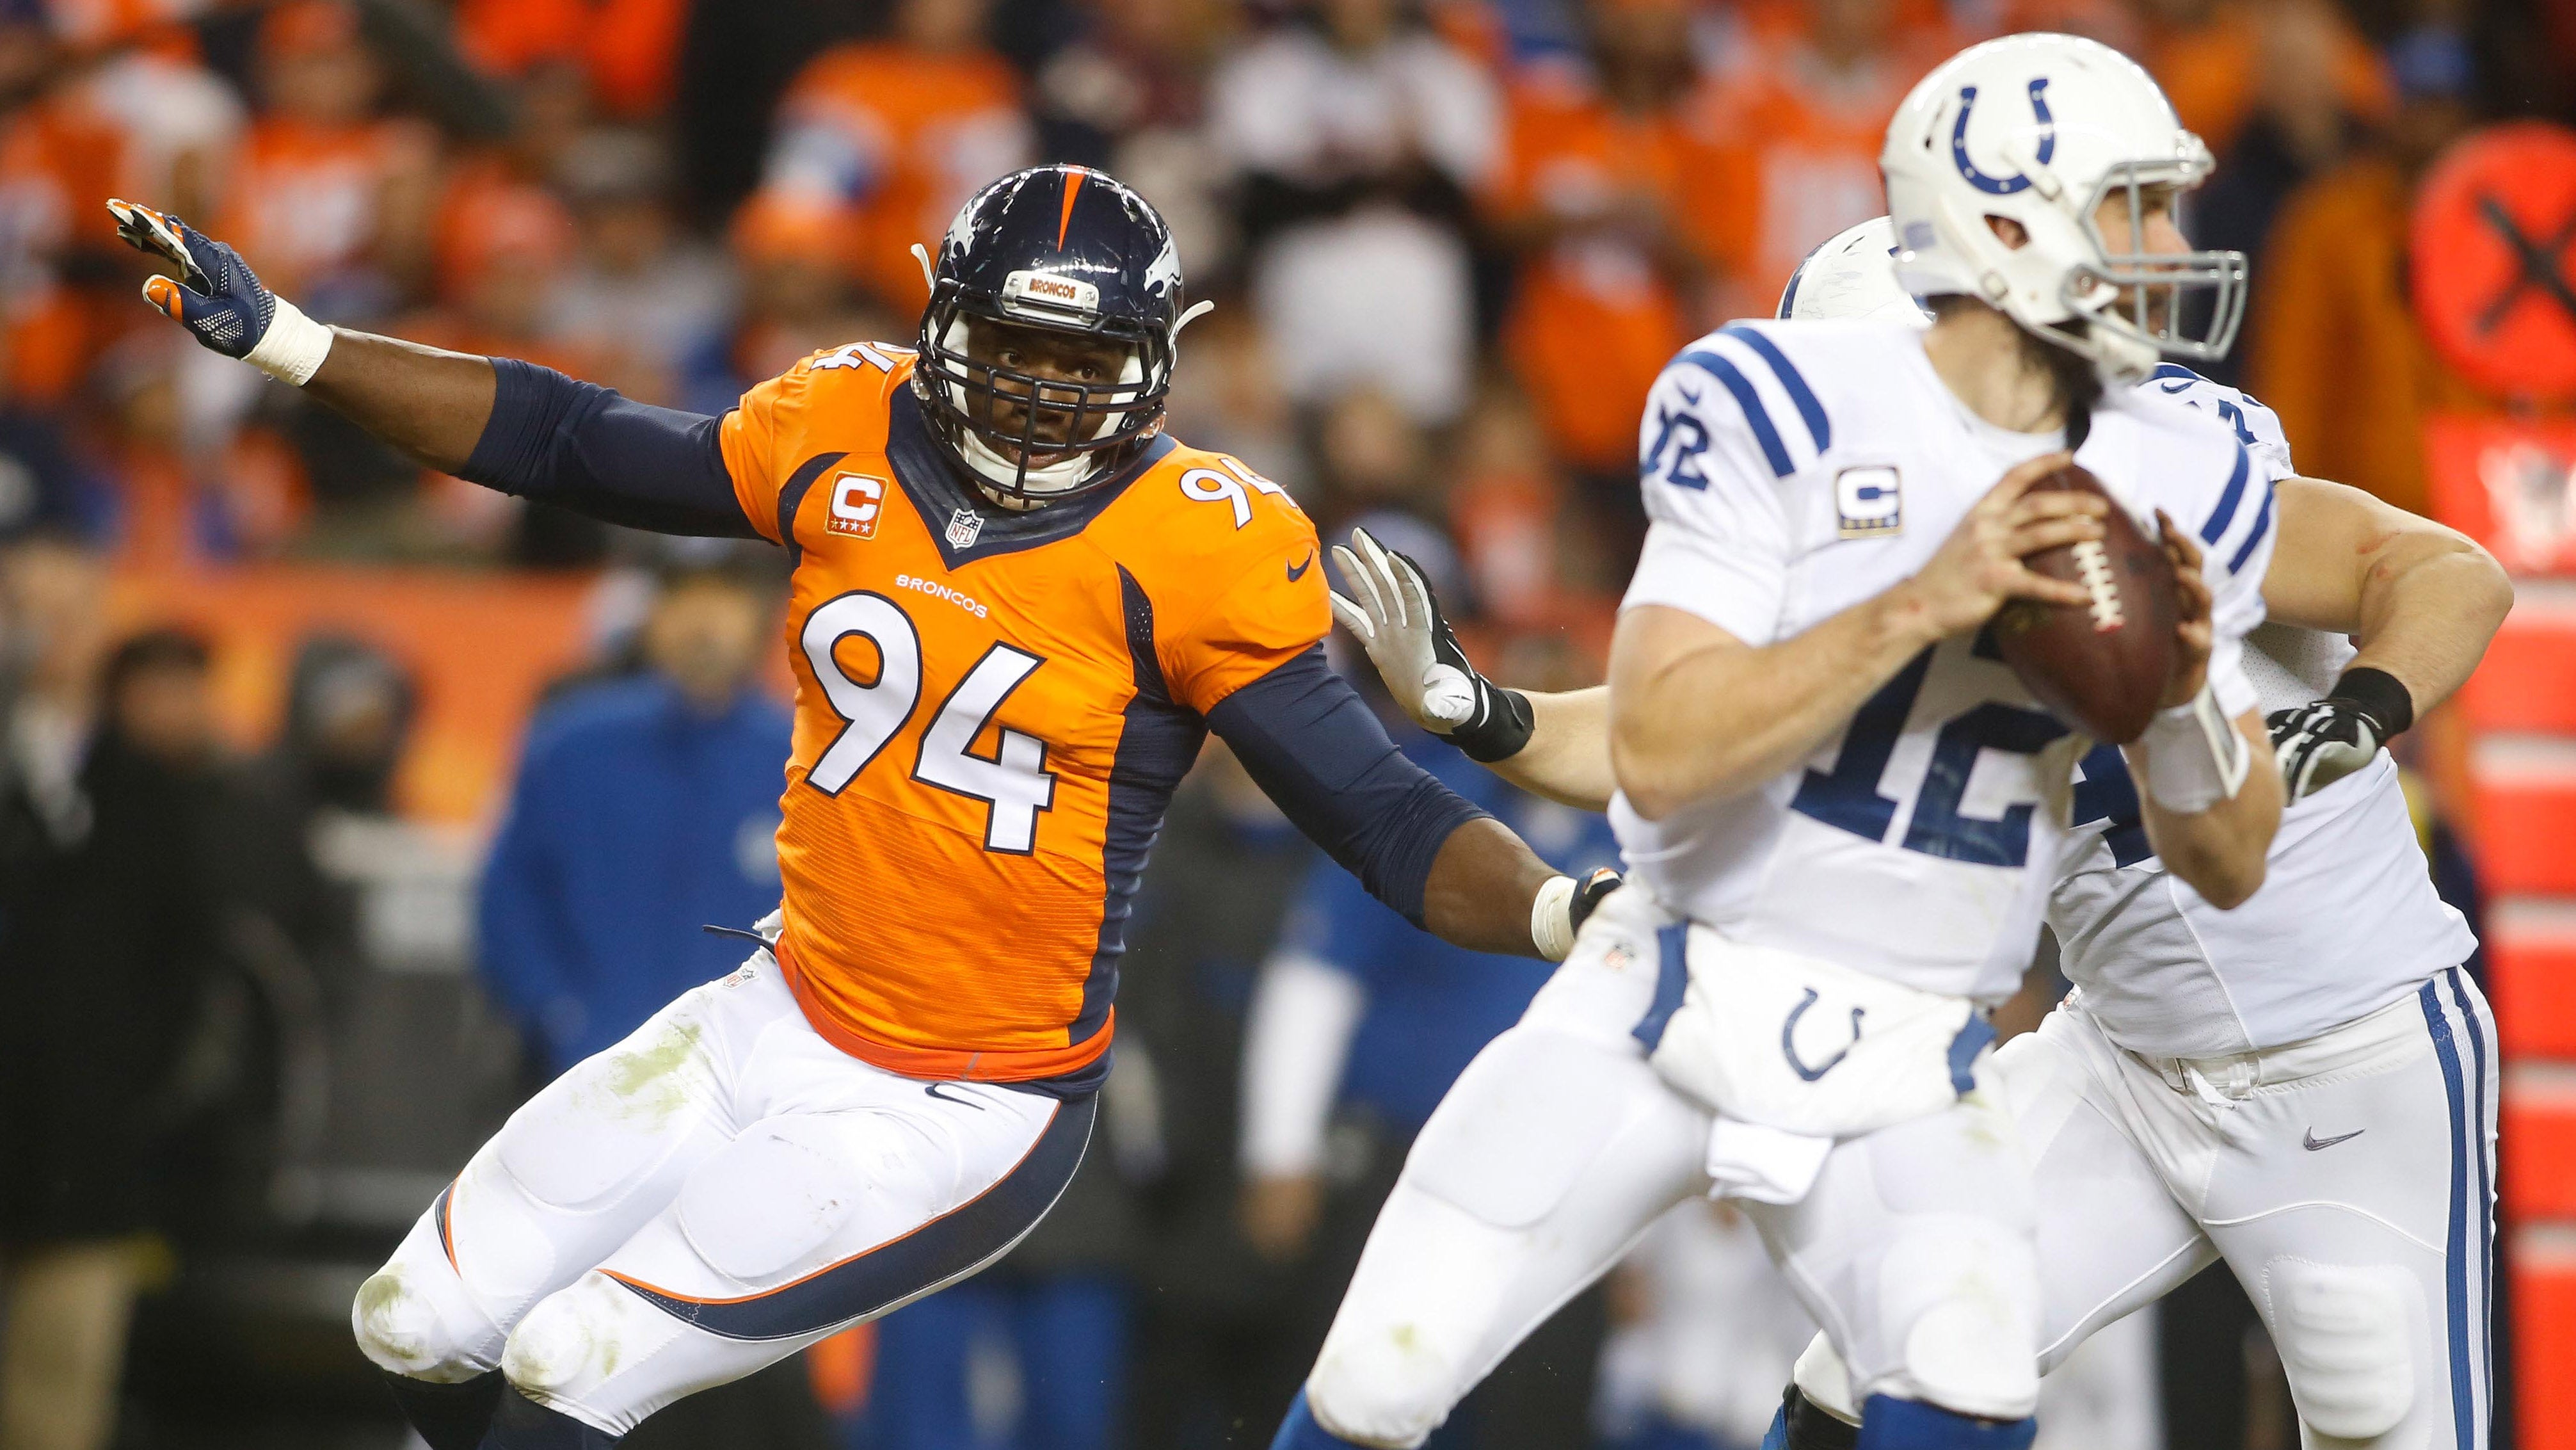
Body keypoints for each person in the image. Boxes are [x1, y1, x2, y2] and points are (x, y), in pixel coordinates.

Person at [106, 162, 1616, 1447]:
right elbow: (570, 441)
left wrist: (1564, 910)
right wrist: (297, 345)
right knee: (411, 1321)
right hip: (780, 1002)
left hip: (963, 1097)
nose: (1039, 388)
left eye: (1083, 363)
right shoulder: (840, 421)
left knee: (575, 1361)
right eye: (1016, 346)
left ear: (1157, 363)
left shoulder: (1205, 540)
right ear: (945, 318)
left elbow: (1379, 812)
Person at [1341, 212, 2515, 1450]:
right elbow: (1672, 728)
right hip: (2124, 1065)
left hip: (2351, 1059)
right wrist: (1481, 710)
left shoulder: (2158, 480)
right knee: (1862, 1382)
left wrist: (2351, 715)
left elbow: (2443, 572)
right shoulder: (1902, 583)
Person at [1268, 33, 2287, 1450]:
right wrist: (1926, 600)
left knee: (1971, 1377)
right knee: (1380, 1379)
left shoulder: (2177, 470)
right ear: (2000, 225)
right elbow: (1664, 748)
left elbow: (2228, 858)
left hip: (1913, 1057)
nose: (2173, 245)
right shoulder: (1779, 402)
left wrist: (2174, 694)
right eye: (2135, 206)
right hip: (1663, 1000)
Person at [477, 552, 794, 1075]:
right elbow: (510, 896)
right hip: (588, 1073)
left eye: (727, 596)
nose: (704, 620)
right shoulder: (573, 743)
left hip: (748, 1085)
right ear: (650, 614)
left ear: (761, 615)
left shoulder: (801, 760)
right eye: (681, 595)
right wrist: (558, 1014)